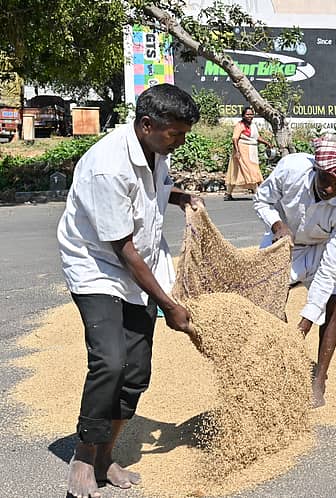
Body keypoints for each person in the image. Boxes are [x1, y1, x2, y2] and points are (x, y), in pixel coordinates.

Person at [57, 83, 202, 498]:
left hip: (141, 266)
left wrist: (179, 197)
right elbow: (122, 249)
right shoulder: (108, 165)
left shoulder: (156, 150)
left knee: (136, 372)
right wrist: (170, 306)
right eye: (175, 133)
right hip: (97, 268)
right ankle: (84, 456)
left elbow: (150, 196)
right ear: (146, 124)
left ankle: (106, 456)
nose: (180, 141)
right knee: (110, 361)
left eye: (183, 133)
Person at [253, 137, 336, 408]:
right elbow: (262, 201)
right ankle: (281, 363)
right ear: (316, 168)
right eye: (326, 179)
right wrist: (277, 225)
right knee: (269, 301)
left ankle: (319, 378)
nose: (330, 189)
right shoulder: (290, 169)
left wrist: (305, 322)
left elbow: (329, 269)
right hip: (283, 241)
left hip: (323, 249)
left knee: (333, 302)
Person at [224, 106, 272, 201]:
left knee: (242, 172)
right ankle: (258, 194)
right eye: (247, 114)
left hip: (252, 150)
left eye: (251, 114)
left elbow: (256, 137)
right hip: (242, 150)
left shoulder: (253, 126)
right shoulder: (240, 125)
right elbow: (235, 138)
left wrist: (267, 143)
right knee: (250, 171)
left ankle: (228, 194)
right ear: (243, 115)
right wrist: (237, 152)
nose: (249, 116)